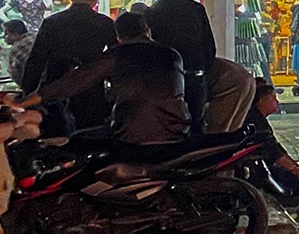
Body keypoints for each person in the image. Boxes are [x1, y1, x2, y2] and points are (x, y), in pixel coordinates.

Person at [35, 9, 191, 150]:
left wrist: (27, 100)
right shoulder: (173, 55)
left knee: (77, 139)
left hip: (132, 136)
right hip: (177, 133)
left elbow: (73, 83)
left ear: (119, 38)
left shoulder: (116, 55)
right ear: (147, 31)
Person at [144, 0, 216, 132]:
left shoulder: (152, 13)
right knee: (196, 128)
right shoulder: (196, 9)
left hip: (165, 83)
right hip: (196, 79)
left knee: (168, 129)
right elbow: (210, 47)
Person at [4, 18, 29, 86]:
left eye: (6, 34)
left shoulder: (15, 50)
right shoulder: (36, 38)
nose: (4, 37)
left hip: (35, 88)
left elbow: (15, 76)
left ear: (16, 35)